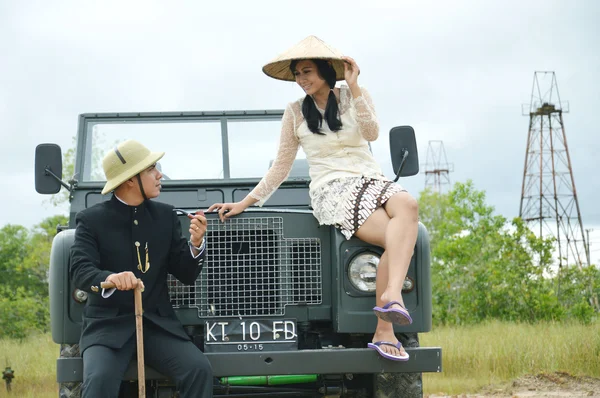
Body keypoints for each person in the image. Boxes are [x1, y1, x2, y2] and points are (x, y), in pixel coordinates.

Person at [208, 35, 419, 362]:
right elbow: (281, 165)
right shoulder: (294, 113)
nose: (302, 79)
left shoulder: (352, 97)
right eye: (297, 74)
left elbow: (372, 132)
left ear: (325, 70)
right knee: (396, 237)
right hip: (333, 188)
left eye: (307, 71)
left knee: (408, 206)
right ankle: (385, 327)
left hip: (372, 179)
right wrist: (245, 202)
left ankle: (391, 296)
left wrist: (355, 87)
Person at [70, 139, 213, 397]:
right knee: (99, 380)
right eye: (151, 169)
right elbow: (81, 271)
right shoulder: (91, 220)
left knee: (198, 369)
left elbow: (186, 273)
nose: (160, 175)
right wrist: (110, 278)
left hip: (157, 326)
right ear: (129, 180)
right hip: (107, 329)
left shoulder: (166, 216)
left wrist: (195, 243)